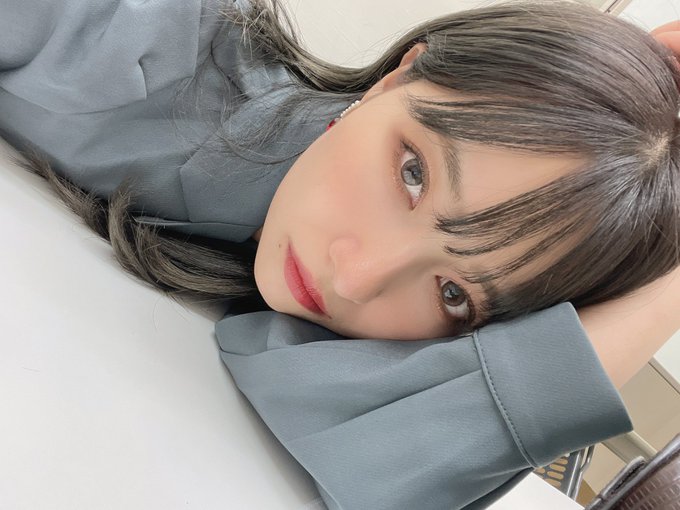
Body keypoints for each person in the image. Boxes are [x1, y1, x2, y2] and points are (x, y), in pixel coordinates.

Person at [1, 0, 679, 508]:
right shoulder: (138, 38)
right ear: (394, 79)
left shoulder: (333, 316)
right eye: (412, 174)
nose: (356, 278)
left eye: (453, 291)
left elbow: (398, 460)